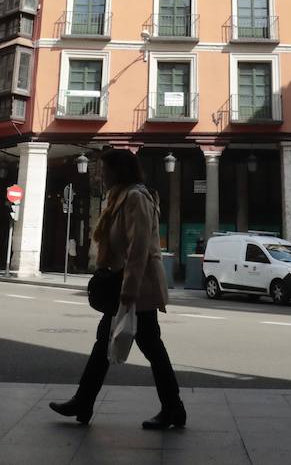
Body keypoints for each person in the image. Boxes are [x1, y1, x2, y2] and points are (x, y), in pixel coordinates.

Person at [49, 149, 185, 430]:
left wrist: (129, 289)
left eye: (106, 169)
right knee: (111, 345)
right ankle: (84, 402)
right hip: (127, 284)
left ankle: (172, 408)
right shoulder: (119, 197)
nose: (102, 174)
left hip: (136, 287)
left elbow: (140, 247)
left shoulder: (136, 197)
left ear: (119, 170)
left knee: (149, 347)